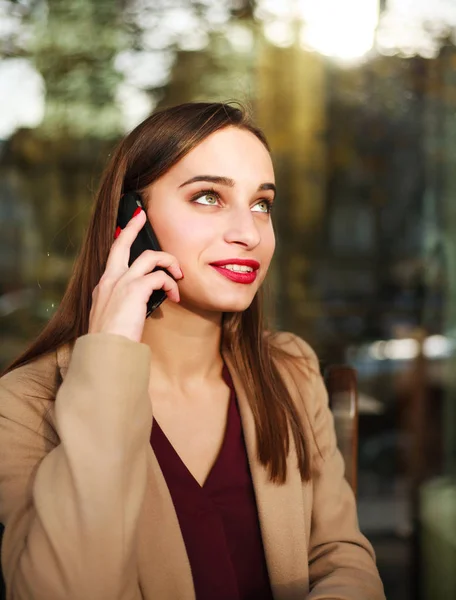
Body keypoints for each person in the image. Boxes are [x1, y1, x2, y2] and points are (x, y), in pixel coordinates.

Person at [0, 102, 385, 600]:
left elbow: (342, 557)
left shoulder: (290, 370)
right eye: (208, 197)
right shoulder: (25, 405)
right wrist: (110, 355)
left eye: (262, 204)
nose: (249, 233)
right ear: (130, 221)